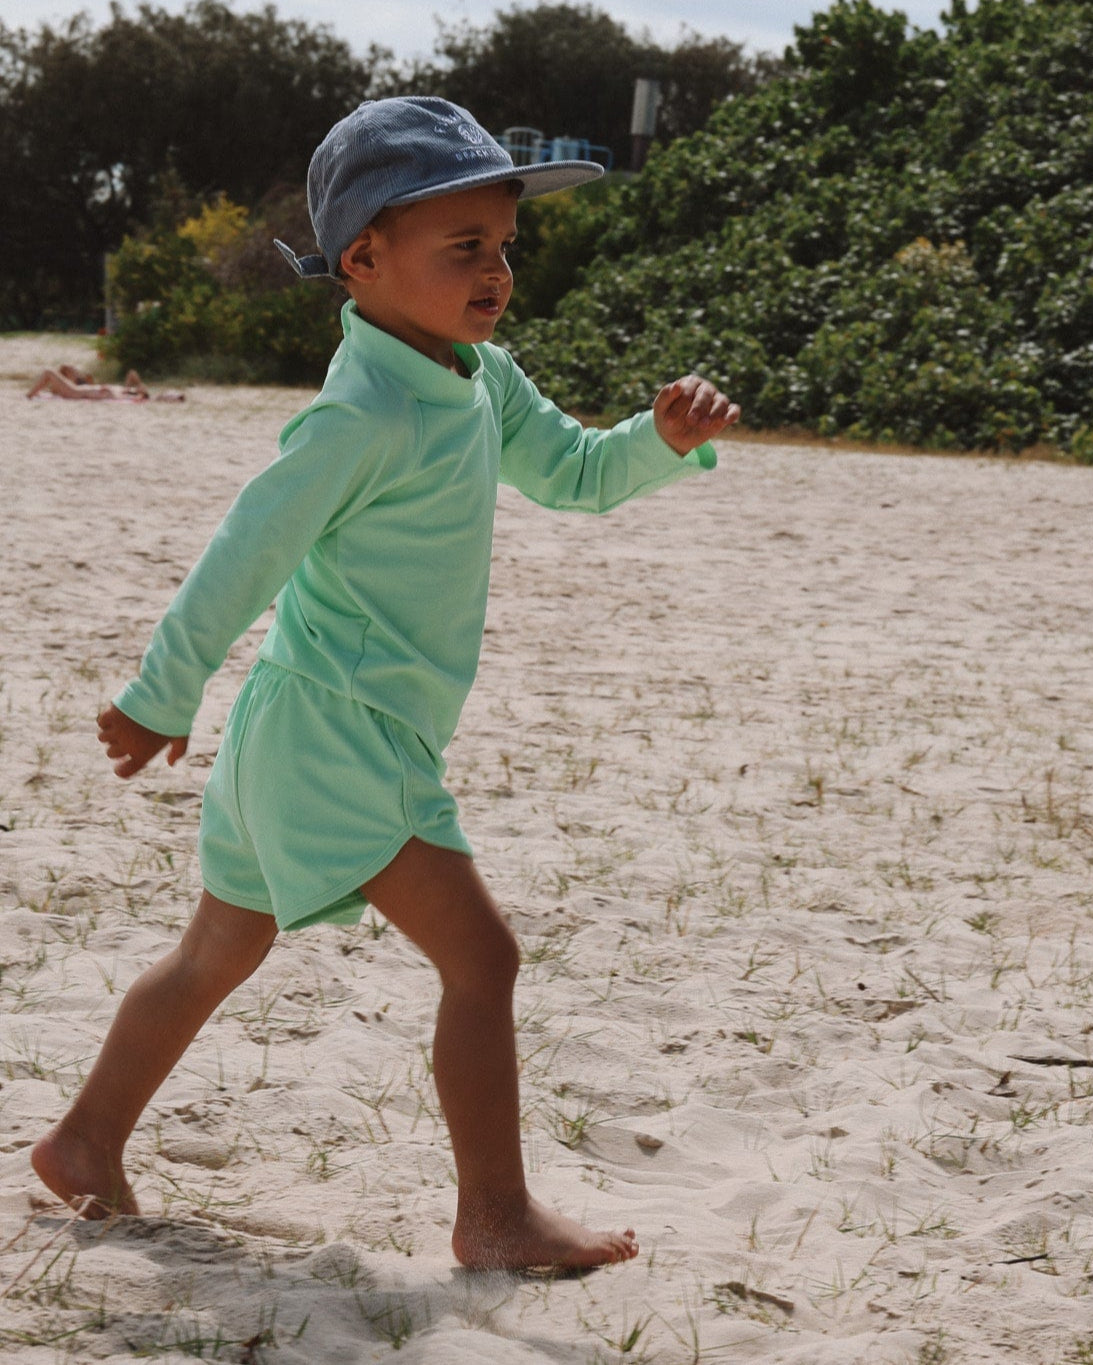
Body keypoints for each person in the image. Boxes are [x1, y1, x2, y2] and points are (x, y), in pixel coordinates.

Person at [31, 96, 739, 1271]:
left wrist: (656, 438)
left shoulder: (479, 378)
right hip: (335, 733)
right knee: (484, 960)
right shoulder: (359, 414)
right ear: (363, 258)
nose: (495, 270)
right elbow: (242, 554)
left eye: (503, 245)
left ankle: (83, 1141)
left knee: (218, 952)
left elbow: (569, 472)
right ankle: (495, 1218)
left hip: (305, 732)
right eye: (463, 246)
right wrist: (163, 693)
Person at [27, 365, 184, 402]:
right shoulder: (129, 391)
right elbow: (132, 373)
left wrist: (108, 391)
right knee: (62, 369)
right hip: (81, 389)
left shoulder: (127, 396)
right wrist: (137, 384)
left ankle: (27, 397)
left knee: (48, 372)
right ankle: (35, 393)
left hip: (79, 392)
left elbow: (112, 395)